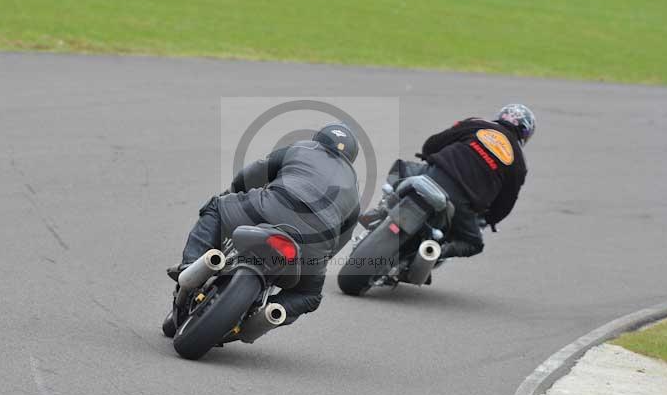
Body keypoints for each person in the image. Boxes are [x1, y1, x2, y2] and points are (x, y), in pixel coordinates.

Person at [171, 123, 361, 323]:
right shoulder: (354, 189)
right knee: (308, 296)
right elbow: (343, 239)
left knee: (215, 208)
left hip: (270, 208)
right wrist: (318, 260)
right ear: (351, 156)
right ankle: (264, 313)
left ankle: (190, 266)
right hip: (315, 243)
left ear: (319, 138)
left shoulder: (303, 147)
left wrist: (232, 193)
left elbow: (254, 173)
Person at [361, 104, 534, 260]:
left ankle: (381, 209)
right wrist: (487, 219)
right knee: (474, 244)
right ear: (525, 134)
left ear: (501, 116)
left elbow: (435, 142)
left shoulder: (477, 123)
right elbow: (505, 203)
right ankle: (436, 253)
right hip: (461, 203)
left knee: (400, 168)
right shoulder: (519, 163)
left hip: (432, 175)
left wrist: (429, 156)